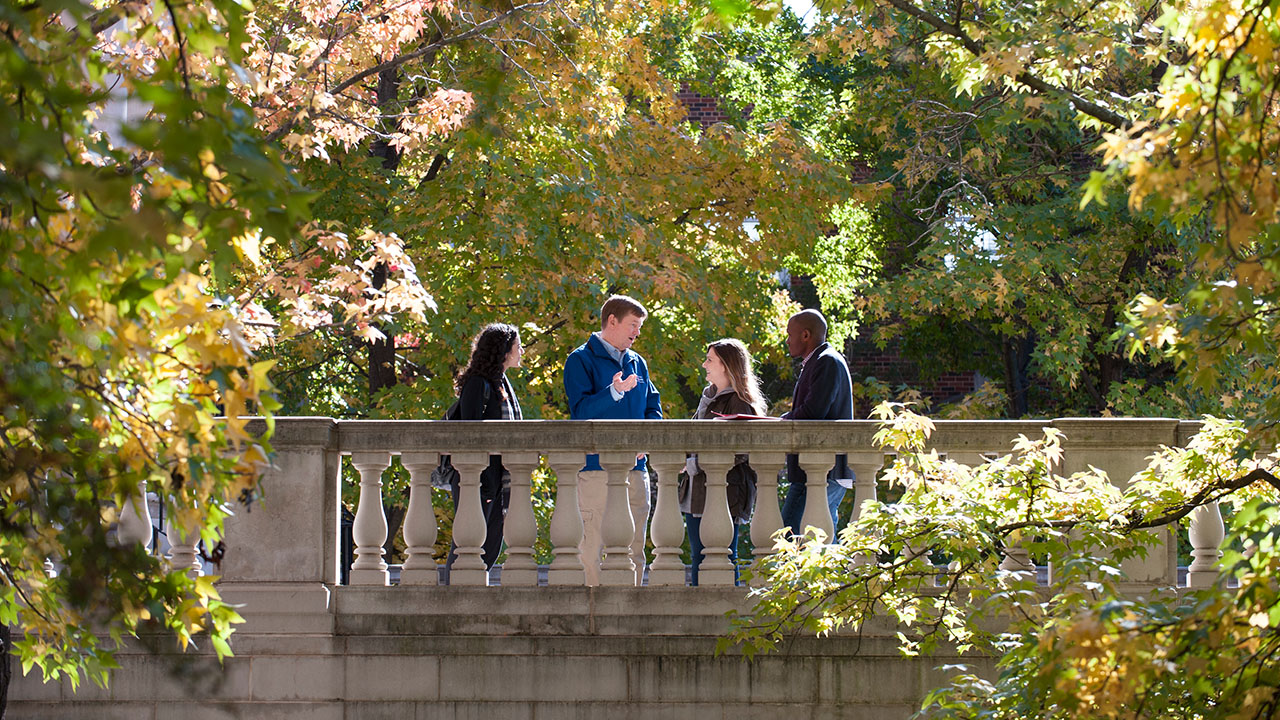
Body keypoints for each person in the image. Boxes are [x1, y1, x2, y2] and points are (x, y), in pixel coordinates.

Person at [563, 295, 663, 586]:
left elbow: (652, 408)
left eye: (639, 326)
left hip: (636, 470)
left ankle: (630, 614)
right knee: (591, 547)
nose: (637, 332)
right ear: (612, 321)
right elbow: (581, 413)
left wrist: (648, 438)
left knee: (635, 548)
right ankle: (593, 620)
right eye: (633, 324)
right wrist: (614, 392)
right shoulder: (579, 359)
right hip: (596, 471)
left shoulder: (637, 362)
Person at [678, 339, 766, 585]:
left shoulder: (740, 402)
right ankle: (700, 615)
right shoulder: (708, 397)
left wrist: (696, 463)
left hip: (727, 491)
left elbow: (741, 450)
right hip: (697, 490)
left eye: (710, 360)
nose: (704, 364)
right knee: (699, 556)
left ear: (726, 366)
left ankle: (729, 616)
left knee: (725, 555)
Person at [447, 323, 524, 571]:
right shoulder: (479, 384)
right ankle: (450, 601)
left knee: (490, 547)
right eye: (517, 346)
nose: (521, 351)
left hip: (499, 480)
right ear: (503, 351)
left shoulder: (503, 384)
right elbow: (468, 434)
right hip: (478, 480)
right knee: (467, 547)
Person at [779, 309, 854, 537]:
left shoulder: (826, 362)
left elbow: (813, 412)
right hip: (820, 469)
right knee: (820, 541)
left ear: (805, 335)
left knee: (790, 537)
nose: (787, 340)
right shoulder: (822, 360)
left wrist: (778, 422)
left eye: (790, 334)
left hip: (820, 470)